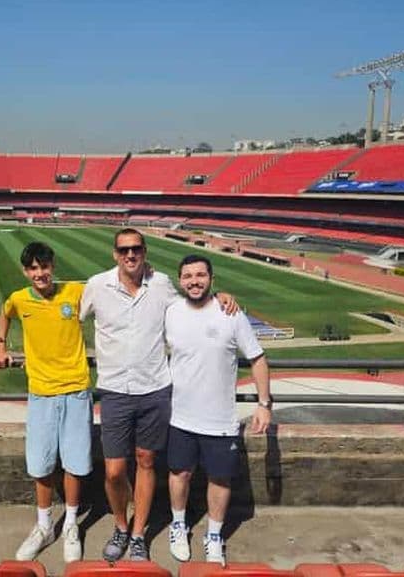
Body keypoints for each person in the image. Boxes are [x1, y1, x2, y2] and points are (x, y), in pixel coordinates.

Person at [80, 228, 237, 561]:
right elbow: (65, 317)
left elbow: (193, 300)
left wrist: (220, 294)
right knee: (113, 471)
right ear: (115, 254)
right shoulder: (97, 285)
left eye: (136, 248)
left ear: (145, 251)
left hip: (154, 389)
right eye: (124, 250)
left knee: (147, 461)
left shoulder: (162, 284)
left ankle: (138, 535)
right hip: (115, 389)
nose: (130, 255)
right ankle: (121, 526)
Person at [164, 254, 271, 565]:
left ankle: (214, 535)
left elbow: (258, 359)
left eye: (200, 275)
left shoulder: (231, 313)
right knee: (179, 473)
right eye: (188, 276)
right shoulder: (171, 311)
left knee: (220, 479)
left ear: (211, 278)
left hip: (221, 419)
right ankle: (179, 525)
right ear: (180, 280)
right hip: (181, 415)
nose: (194, 281)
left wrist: (264, 405)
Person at [0, 242, 91, 563]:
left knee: (75, 463)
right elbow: (4, 313)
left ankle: (71, 525)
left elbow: (117, 287)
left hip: (76, 390)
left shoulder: (76, 291)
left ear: (53, 266)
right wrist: (1, 345)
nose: (40, 273)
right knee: (41, 465)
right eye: (33, 268)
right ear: (26, 271)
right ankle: (45, 526)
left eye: (44, 266)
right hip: (41, 392)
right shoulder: (19, 299)